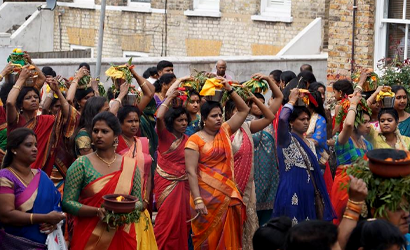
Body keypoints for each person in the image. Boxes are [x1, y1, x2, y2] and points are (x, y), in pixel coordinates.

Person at [63, 111, 156, 250]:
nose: (98, 135)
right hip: (89, 234)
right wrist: (96, 211)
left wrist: (123, 210)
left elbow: (138, 202)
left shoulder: (130, 165)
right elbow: (67, 202)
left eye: (104, 131)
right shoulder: (81, 164)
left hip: (121, 233)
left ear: (115, 136)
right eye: (95, 131)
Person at [185, 79, 250, 249]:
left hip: (226, 195)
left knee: (229, 239)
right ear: (204, 119)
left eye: (220, 115)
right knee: (207, 241)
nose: (219, 118)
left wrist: (230, 90)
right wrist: (198, 200)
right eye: (214, 116)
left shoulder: (225, 131)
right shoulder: (194, 140)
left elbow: (244, 109)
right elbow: (191, 172)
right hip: (204, 198)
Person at [274, 88, 335, 224]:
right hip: (290, 194)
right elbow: (282, 119)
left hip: (308, 196)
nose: (306, 122)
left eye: (308, 119)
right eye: (302, 119)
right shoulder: (286, 140)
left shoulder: (310, 144)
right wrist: (291, 101)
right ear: (291, 122)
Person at [0, 128, 66, 249]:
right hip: (15, 244)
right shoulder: (5, 177)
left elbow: (56, 204)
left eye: (35, 145)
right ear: (14, 149)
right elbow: (6, 215)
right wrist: (45, 218)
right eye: (28, 145)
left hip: (46, 242)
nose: (35, 149)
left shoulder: (42, 176)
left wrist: (54, 221)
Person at [6, 67, 75, 176]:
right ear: (20, 104)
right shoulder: (15, 120)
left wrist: (57, 90)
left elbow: (68, 113)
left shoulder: (45, 120)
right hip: (17, 172)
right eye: (28, 98)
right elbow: (10, 102)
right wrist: (21, 80)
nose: (33, 99)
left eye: (36, 97)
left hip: (39, 174)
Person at [115, 106, 157, 250]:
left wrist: (145, 198)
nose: (134, 124)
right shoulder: (114, 143)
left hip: (142, 200)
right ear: (120, 123)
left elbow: (148, 172)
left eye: (136, 121)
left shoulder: (143, 142)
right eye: (129, 121)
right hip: (120, 199)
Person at [154, 91, 191, 250]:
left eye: (185, 120)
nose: (184, 123)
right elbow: (159, 117)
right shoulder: (164, 136)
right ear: (172, 121)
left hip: (185, 186)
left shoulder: (190, 140)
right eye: (179, 120)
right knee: (165, 223)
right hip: (167, 185)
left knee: (183, 223)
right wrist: (168, 98)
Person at [246, 73, 283, 226]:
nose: (260, 105)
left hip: (270, 176)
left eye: (262, 102)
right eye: (255, 102)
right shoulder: (242, 121)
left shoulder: (267, 118)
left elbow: (279, 97)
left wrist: (268, 80)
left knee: (268, 220)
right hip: (251, 177)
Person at [331, 94, 373, 225]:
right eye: (364, 122)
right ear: (355, 123)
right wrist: (353, 104)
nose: (369, 125)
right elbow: (348, 124)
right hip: (344, 190)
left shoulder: (368, 144)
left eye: (369, 121)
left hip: (362, 189)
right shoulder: (343, 140)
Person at [306, 90, 333, 193]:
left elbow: (317, 141)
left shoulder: (320, 119)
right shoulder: (306, 117)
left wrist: (300, 139)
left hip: (318, 158)